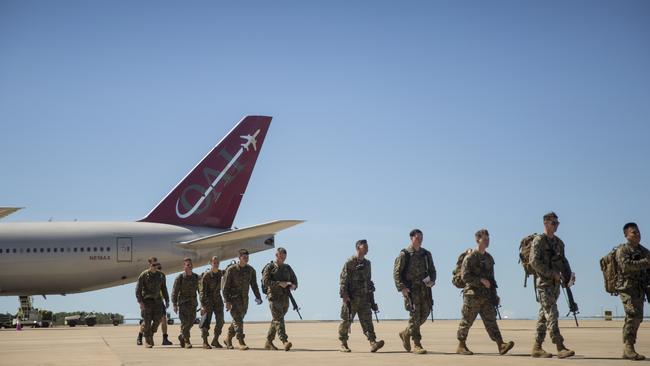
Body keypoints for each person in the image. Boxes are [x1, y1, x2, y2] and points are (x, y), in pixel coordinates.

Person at [456, 229, 514, 355]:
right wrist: (480, 280)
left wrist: (495, 294)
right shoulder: (470, 257)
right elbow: (464, 277)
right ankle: (461, 345)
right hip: (472, 296)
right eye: (484, 239)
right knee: (467, 321)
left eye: (488, 239)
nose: (487, 241)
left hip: (486, 296)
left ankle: (501, 344)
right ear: (478, 240)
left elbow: (492, 279)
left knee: (491, 321)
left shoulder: (489, 258)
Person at [529, 212, 575, 358]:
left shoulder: (559, 243)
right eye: (553, 223)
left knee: (544, 316)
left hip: (556, 286)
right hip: (544, 284)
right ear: (546, 223)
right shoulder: (539, 241)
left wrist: (568, 276)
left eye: (557, 223)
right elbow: (534, 262)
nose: (556, 226)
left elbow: (563, 261)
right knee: (552, 313)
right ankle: (559, 346)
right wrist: (551, 273)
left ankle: (537, 347)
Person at [338, 239, 385, 353]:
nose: (367, 248)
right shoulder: (349, 263)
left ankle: (373, 342)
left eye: (367, 246)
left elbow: (368, 280)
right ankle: (343, 343)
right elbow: (343, 280)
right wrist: (345, 296)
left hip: (364, 298)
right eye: (365, 246)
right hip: (351, 298)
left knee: (368, 321)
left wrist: (371, 295)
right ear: (358, 247)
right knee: (346, 321)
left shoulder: (367, 264)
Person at [393, 229, 436, 354]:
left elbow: (432, 270)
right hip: (411, 290)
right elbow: (397, 272)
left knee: (424, 315)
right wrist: (402, 288)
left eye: (421, 237)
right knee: (415, 316)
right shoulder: (405, 254)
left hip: (425, 290)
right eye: (418, 238)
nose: (420, 240)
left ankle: (406, 332)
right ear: (411, 238)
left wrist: (432, 281)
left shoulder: (426, 254)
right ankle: (417, 344)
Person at [615, 222, 649, 360]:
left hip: (640, 288)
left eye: (638, 232)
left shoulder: (644, 251)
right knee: (633, 315)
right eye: (634, 232)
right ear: (626, 235)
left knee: (638, 317)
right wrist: (645, 262)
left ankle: (629, 347)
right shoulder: (623, 250)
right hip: (627, 288)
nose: (638, 234)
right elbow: (625, 266)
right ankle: (628, 347)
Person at [222, 249, 263, 350]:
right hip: (233, 299)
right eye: (244, 257)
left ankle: (228, 338)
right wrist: (227, 301)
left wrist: (258, 297)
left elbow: (254, 285)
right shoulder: (231, 270)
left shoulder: (251, 270)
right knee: (238, 320)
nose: (246, 258)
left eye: (247, 257)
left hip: (245, 300)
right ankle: (241, 341)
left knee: (237, 320)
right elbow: (225, 287)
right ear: (239, 258)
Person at [262, 247, 298, 351]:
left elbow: (295, 280)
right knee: (279, 319)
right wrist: (279, 283)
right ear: (276, 255)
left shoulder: (288, 268)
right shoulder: (270, 267)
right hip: (274, 297)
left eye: (284, 256)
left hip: (285, 298)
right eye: (280, 255)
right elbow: (266, 282)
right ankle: (284, 341)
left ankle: (268, 342)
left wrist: (293, 286)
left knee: (276, 320)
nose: (282, 258)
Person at [135, 257, 169, 348]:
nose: (155, 266)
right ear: (149, 264)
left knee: (158, 320)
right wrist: (140, 303)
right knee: (147, 321)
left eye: (157, 264)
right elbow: (138, 290)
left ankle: (150, 334)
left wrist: (167, 299)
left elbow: (164, 288)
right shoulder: (144, 275)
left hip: (158, 301)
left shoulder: (161, 275)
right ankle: (147, 340)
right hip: (147, 301)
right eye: (154, 265)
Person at [172, 257, 200, 349]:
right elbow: (174, 292)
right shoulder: (180, 278)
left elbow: (201, 291)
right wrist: (174, 304)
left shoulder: (196, 277)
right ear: (184, 266)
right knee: (184, 322)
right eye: (188, 265)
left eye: (191, 264)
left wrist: (203, 303)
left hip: (193, 304)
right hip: (183, 303)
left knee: (191, 322)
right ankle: (187, 341)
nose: (190, 266)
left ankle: (182, 336)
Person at [199, 256, 225, 349]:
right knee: (206, 322)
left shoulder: (220, 273)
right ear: (211, 263)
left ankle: (215, 340)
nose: (216, 264)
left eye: (217, 262)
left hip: (218, 300)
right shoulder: (206, 275)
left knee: (221, 321)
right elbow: (202, 291)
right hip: (208, 301)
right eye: (214, 262)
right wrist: (202, 305)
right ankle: (205, 342)